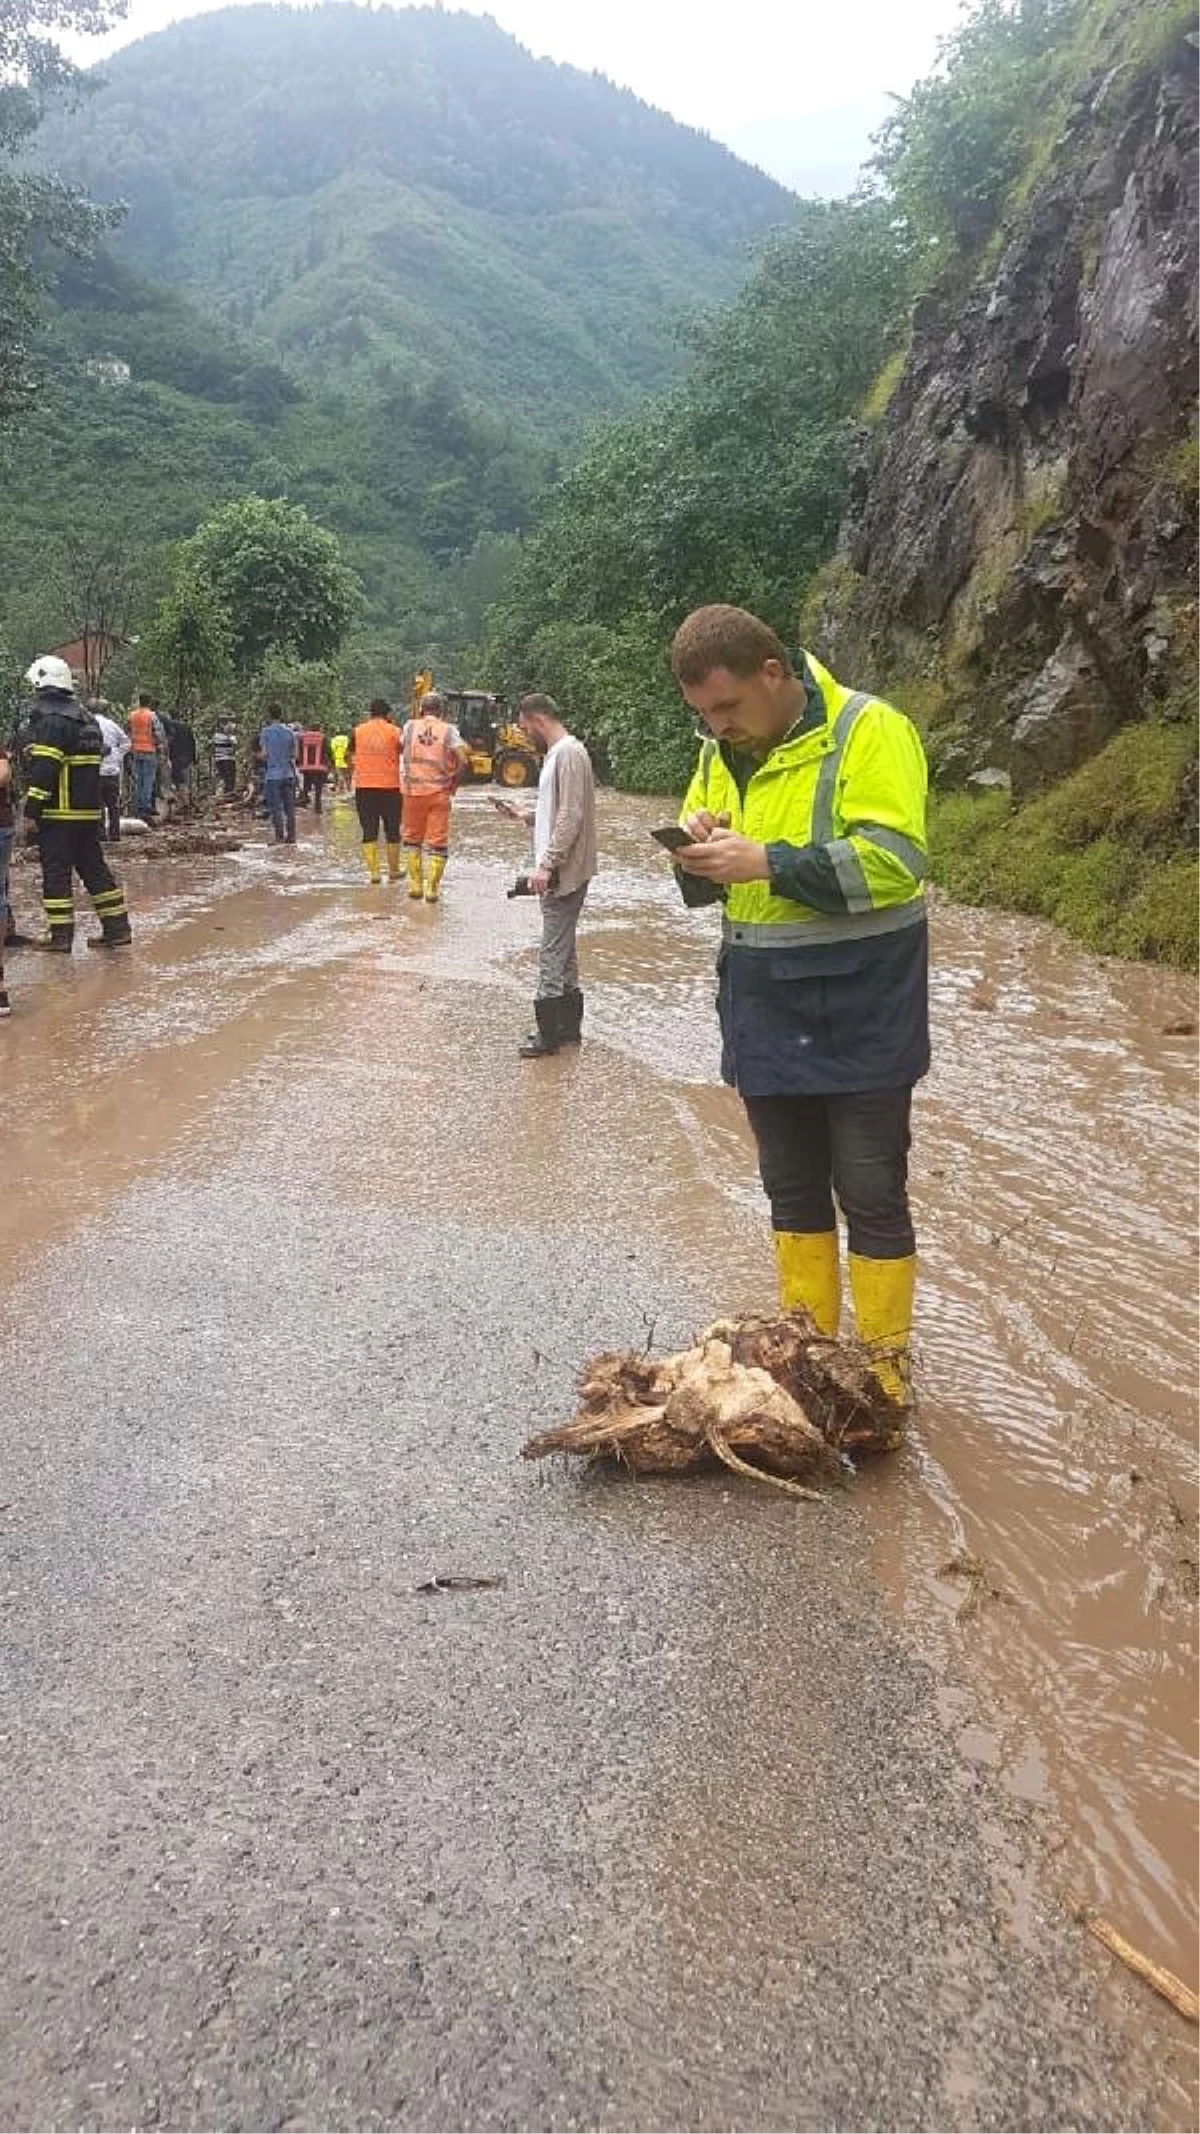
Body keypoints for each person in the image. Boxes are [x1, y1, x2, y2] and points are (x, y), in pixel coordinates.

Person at [667, 604, 929, 1408]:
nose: (717, 727)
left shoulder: (869, 729)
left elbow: (896, 861)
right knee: (791, 1187)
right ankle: (809, 1357)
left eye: (728, 708)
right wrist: (697, 847)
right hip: (763, 1007)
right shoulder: (720, 755)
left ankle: (885, 1377)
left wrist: (767, 862)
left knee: (871, 1186)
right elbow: (701, 888)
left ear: (773, 674)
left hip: (864, 1002)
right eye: (704, 715)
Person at [500, 693, 596, 1057]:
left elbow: (571, 816)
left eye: (525, 728)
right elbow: (559, 811)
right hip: (565, 868)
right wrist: (528, 815)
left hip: (564, 871)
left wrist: (546, 865)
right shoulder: (562, 755)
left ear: (537, 720)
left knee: (552, 951)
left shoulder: (568, 754)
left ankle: (548, 1036)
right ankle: (568, 1029)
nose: (525, 735)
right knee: (565, 948)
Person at [20, 655, 132, 952]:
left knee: (56, 873)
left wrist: (31, 810)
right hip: (87, 812)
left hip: (59, 813)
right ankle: (117, 929)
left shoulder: (52, 720)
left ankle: (60, 938)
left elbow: (46, 769)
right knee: (94, 869)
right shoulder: (87, 719)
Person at [400, 689, 469, 903]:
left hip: (412, 793)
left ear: (421, 709)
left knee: (412, 840)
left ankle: (415, 885)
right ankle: (432, 889)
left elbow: (401, 747)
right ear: (442, 711)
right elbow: (464, 761)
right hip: (439, 793)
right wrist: (453, 784)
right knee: (438, 843)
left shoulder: (409, 726)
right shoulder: (449, 730)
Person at [348, 700, 403, 884]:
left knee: (369, 830)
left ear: (369, 713)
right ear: (387, 714)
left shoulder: (357, 731)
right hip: (391, 787)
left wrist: (353, 775)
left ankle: (374, 873)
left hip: (364, 787)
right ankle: (393, 870)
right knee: (392, 830)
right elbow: (402, 752)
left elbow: (350, 756)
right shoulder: (395, 731)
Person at [89, 701, 130, 841]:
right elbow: (126, 742)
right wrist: (116, 755)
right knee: (113, 805)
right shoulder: (112, 724)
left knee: (97, 804)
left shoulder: (86, 725)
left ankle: (101, 834)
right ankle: (115, 834)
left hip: (95, 770)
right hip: (112, 771)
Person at [258, 704, 297, 843]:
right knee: (290, 808)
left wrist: (257, 756)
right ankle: (291, 837)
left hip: (273, 775)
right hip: (288, 774)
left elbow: (264, 754)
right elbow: (294, 755)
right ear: (281, 714)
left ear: (269, 715)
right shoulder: (290, 732)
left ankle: (279, 837)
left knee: (276, 808)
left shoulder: (266, 732)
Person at [128, 691, 163, 820]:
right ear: (149, 702)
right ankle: (145, 807)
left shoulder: (132, 715)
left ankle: (138, 806)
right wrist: (160, 748)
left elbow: (127, 731)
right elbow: (158, 733)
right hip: (149, 750)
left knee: (139, 780)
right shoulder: (151, 715)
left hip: (136, 751)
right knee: (148, 780)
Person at [166, 712, 198, 814]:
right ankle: (188, 802)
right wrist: (194, 758)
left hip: (176, 757)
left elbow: (169, 743)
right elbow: (192, 742)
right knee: (185, 780)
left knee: (178, 781)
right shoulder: (186, 727)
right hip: (186, 757)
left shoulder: (170, 727)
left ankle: (184, 804)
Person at [297, 726, 331, 816]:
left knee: (306, 786)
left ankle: (303, 803)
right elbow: (327, 751)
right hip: (319, 767)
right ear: (319, 729)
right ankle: (318, 808)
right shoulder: (323, 737)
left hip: (306, 767)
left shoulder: (302, 737)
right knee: (318, 789)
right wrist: (328, 763)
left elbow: (299, 751)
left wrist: (299, 763)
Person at [212, 718, 238, 797]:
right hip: (228, 760)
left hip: (218, 759)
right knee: (229, 779)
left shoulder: (216, 736)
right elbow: (235, 744)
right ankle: (227, 795)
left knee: (223, 778)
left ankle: (224, 795)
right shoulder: (230, 737)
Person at [329, 729, 350, 793]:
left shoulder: (334, 739)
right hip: (346, 758)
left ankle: (341, 788)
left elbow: (332, 749)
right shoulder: (347, 739)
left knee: (339, 774)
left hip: (337, 758)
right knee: (347, 774)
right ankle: (348, 787)